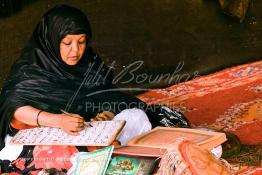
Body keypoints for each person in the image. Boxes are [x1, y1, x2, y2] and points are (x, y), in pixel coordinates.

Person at [0, 4, 151, 173]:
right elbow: (14, 107)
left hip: (85, 132)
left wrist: (106, 115)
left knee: (136, 116)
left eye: (81, 42)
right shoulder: (30, 68)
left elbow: (108, 97)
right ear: (51, 40)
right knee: (55, 154)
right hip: (42, 136)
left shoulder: (89, 62)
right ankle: (91, 160)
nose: (75, 51)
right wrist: (58, 121)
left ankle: (93, 159)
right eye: (67, 43)